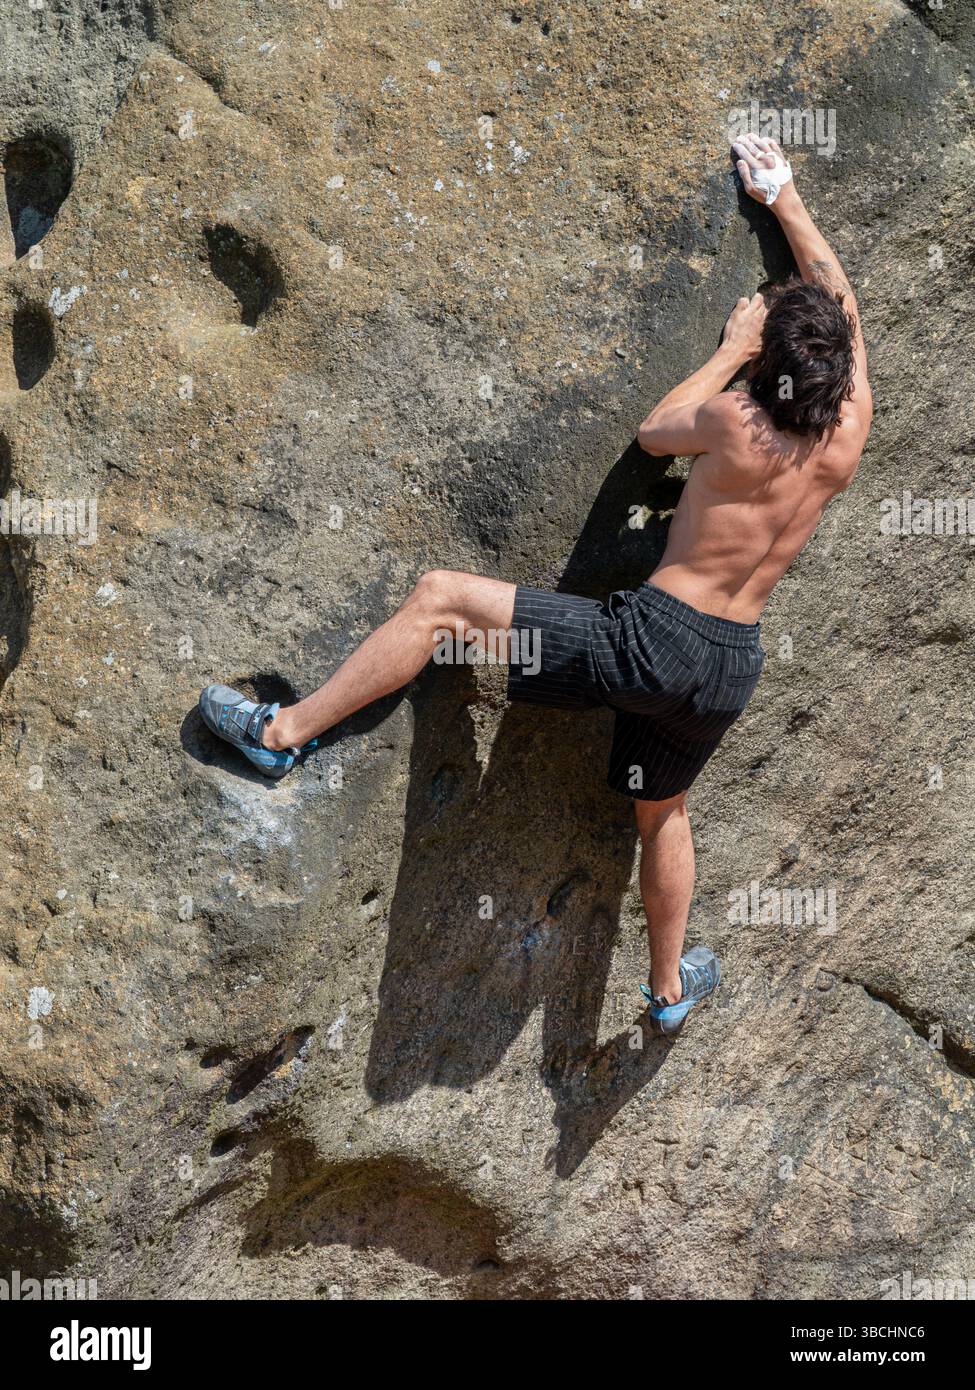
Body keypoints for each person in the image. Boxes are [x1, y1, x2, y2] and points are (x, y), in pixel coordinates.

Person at [198, 133, 872, 1035]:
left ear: (768, 371)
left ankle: (282, 735)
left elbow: (651, 431)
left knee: (440, 598)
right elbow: (843, 306)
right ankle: (668, 991)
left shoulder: (735, 418)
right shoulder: (848, 424)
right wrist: (784, 199)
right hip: (727, 667)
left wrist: (730, 346)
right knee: (659, 806)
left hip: (647, 644)